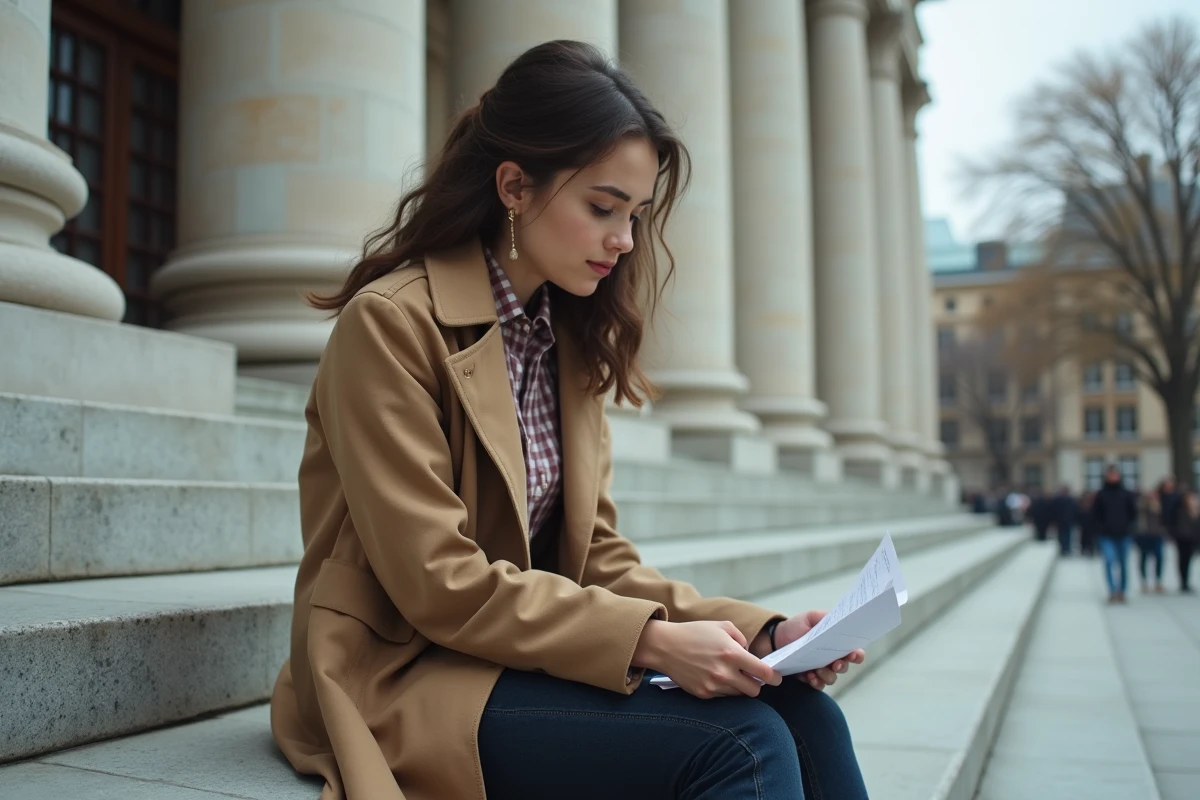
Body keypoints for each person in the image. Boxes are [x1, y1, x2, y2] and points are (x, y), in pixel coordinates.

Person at [268, 41, 869, 800]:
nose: (625, 240)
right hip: (398, 671)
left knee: (806, 715)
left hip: (510, 654)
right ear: (515, 187)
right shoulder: (390, 325)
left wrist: (764, 634)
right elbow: (437, 582)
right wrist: (650, 641)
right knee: (741, 744)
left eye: (635, 214)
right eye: (602, 208)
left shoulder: (567, 342)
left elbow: (597, 559)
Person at [1091, 464, 1139, 603]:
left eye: (1115, 474)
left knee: (1123, 563)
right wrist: (1100, 528)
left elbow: (1133, 513)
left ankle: (1122, 591)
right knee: (1109, 561)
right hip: (1106, 535)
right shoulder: (1101, 494)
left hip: (1123, 534)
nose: (1113, 477)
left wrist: (1128, 526)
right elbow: (1095, 515)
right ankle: (1112, 591)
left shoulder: (1126, 494)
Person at [1134, 486, 1166, 593]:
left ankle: (1158, 581)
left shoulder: (1160, 506)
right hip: (1144, 535)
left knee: (1159, 558)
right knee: (1143, 558)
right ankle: (1144, 582)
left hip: (1157, 535)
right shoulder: (1142, 506)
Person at [1171, 490, 1199, 593]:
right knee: (1183, 561)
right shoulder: (1180, 510)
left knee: (1189, 561)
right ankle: (1183, 582)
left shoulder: (1196, 511)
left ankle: (1186, 582)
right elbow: (1179, 525)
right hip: (1183, 539)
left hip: (1193, 539)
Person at [1051, 485, 1079, 557]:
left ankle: (1065, 548)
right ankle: (1065, 548)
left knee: (1066, 535)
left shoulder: (1068, 500)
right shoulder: (1068, 500)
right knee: (1064, 535)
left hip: (1065, 521)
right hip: (1063, 521)